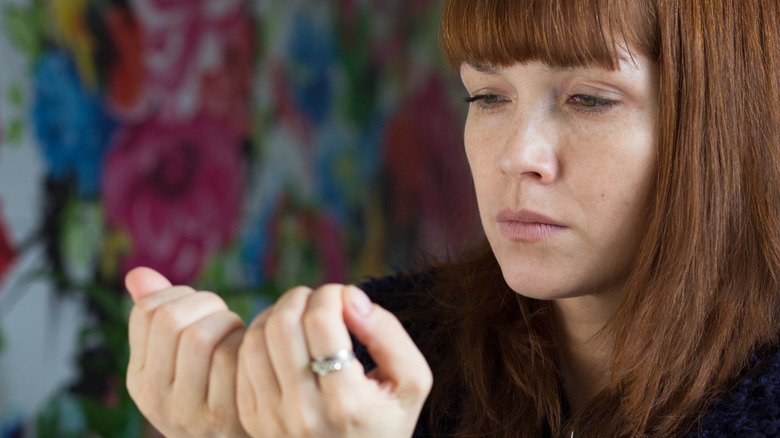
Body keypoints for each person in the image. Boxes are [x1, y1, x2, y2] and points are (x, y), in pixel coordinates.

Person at [124, 0, 780, 436]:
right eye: (488, 96)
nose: (517, 156)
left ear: (723, 125)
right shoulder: (370, 359)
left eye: (588, 99)